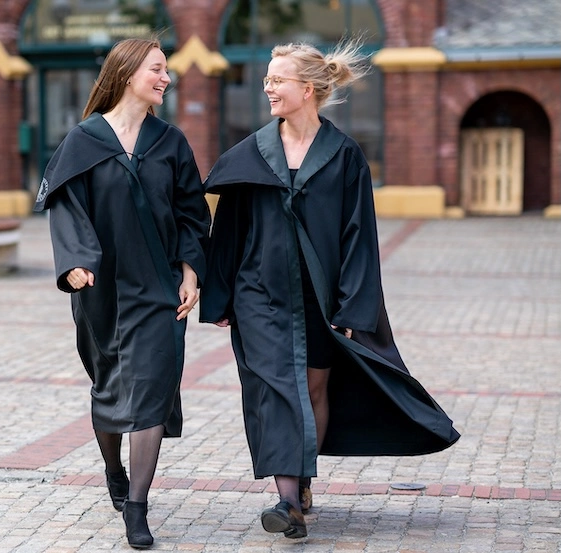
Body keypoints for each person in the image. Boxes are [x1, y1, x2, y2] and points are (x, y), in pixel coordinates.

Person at [199, 41, 460, 539]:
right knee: (276, 389)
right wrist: (221, 295)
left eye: (277, 79)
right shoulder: (249, 154)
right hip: (260, 295)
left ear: (308, 89)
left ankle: (300, 484)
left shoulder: (344, 156)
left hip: (320, 298)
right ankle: (287, 500)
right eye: (267, 79)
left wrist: (353, 307)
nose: (268, 87)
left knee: (314, 388)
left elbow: (359, 236)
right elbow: (228, 230)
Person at [33, 37, 211, 549]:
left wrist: (191, 270)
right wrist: (74, 262)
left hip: (158, 287)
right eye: (157, 69)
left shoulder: (170, 142)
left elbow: (191, 213)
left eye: (166, 70)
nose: (166, 78)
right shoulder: (83, 141)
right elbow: (66, 207)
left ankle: (137, 506)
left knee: (152, 389)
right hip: (102, 289)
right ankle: (114, 469)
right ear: (128, 73)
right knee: (110, 388)